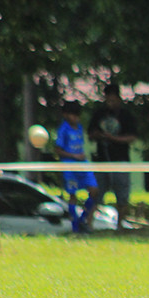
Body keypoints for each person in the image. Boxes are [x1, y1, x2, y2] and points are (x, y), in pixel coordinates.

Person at [88, 83, 138, 229]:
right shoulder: (99, 114)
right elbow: (90, 133)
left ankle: (120, 225)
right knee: (96, 193)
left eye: (113, 99)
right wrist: (99, 135)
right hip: (101, 161)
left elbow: (132, 137)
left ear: (119, 98)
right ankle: (88, 224)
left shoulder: (126, 115)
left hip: (121, 160)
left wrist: (114, 138)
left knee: (122, 195)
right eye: (108, 100)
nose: (110, 103)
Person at [54, 101, 100, 232]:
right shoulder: (63, 130)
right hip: (69, 166)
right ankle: (75, 227)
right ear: (66, 115)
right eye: (73, 115)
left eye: (77, 115)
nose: (76, 118)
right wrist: (74, 156)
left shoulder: (79, 127)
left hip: (83, 164)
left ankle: (82, 219)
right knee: (73, 195)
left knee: (94, 189)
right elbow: (58, 150)